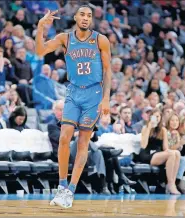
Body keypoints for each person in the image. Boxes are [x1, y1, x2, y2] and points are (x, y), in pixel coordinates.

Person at [36, 5, 111, 208]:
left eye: (89, 15)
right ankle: (61, 186)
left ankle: (70, 190)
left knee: (83, 142)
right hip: (73, 92)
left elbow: (107, 70)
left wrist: (106, 98)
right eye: (82, 15)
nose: (86, 18)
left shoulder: (100, 40)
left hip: (93, 95)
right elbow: (40, 50)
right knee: (63, 137)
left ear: (91, 20)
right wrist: (41, 27)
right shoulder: (65, 38)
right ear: (76, 17)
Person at [137, 109, 181, 194]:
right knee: (171, 154)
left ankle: (172, 183)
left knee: (176, 153)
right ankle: (171, 184)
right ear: (150, 117)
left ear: (161, 118)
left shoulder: (163, 130)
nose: (156, 118)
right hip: (147, 154)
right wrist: (149, 128)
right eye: (154, 116)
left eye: (158, 116)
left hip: (158, 153)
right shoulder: (145, 128)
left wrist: (175, 147)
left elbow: (165, 148)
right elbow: (143, 145)